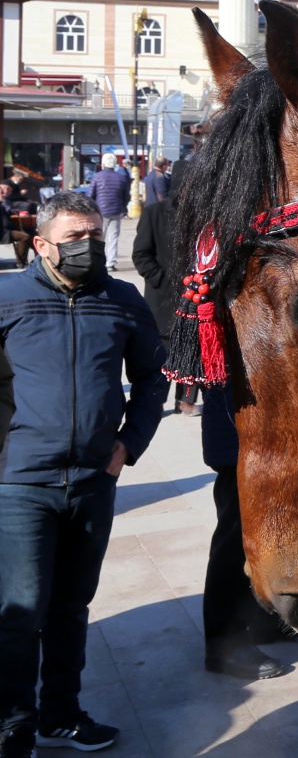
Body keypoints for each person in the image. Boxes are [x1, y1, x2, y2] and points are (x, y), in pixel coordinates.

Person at [0, 192, 167, 756]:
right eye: (74, 238)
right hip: (20, 485)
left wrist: (129, 445)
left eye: (95, 235)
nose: (89, 246)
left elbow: (152, 377)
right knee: (19, 611)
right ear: (42, 244)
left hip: (94, 482)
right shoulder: (7, 297)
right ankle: (13, 724)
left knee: (71, 608)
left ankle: (60, 715)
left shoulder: (121, 300)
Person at [198, 384, 292, 681]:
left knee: (277, 530)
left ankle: (265, 619)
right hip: (241, 425)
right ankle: (225, 644)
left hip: (276, 422)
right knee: (237, 538)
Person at [132, 187, 195, 415]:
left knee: (192, 348)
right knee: (161, 352)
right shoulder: (154, 213)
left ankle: (186, 400)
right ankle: (156, 400)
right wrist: (163, 280)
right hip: (162, 296)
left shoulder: (203, 213)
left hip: (196, 296)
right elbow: (141, 254)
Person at [84, 155, 128, 274]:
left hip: (100, 212)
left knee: (99, 237)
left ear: (102, 164)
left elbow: (90, 195)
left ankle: (98, 260)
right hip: (116, 211)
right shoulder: (121, 178)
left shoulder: (97, 177)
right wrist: (123, 208)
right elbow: (126, 197)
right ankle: (111, 263)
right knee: (113, 237)